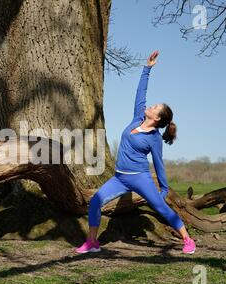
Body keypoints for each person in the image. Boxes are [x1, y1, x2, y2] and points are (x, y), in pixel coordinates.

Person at [75, 50, 196, 255]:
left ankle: (188, 240)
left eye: (155, 107)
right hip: (120, 178)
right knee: (95, 201)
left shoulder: (154, 138)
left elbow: (158, 163)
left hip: (140, 179)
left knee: (162, 208)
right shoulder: (138, 117)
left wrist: (164, 189)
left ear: (157, 118)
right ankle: (92, 242)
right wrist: (147, 69)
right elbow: (140, 93)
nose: (151, 106)